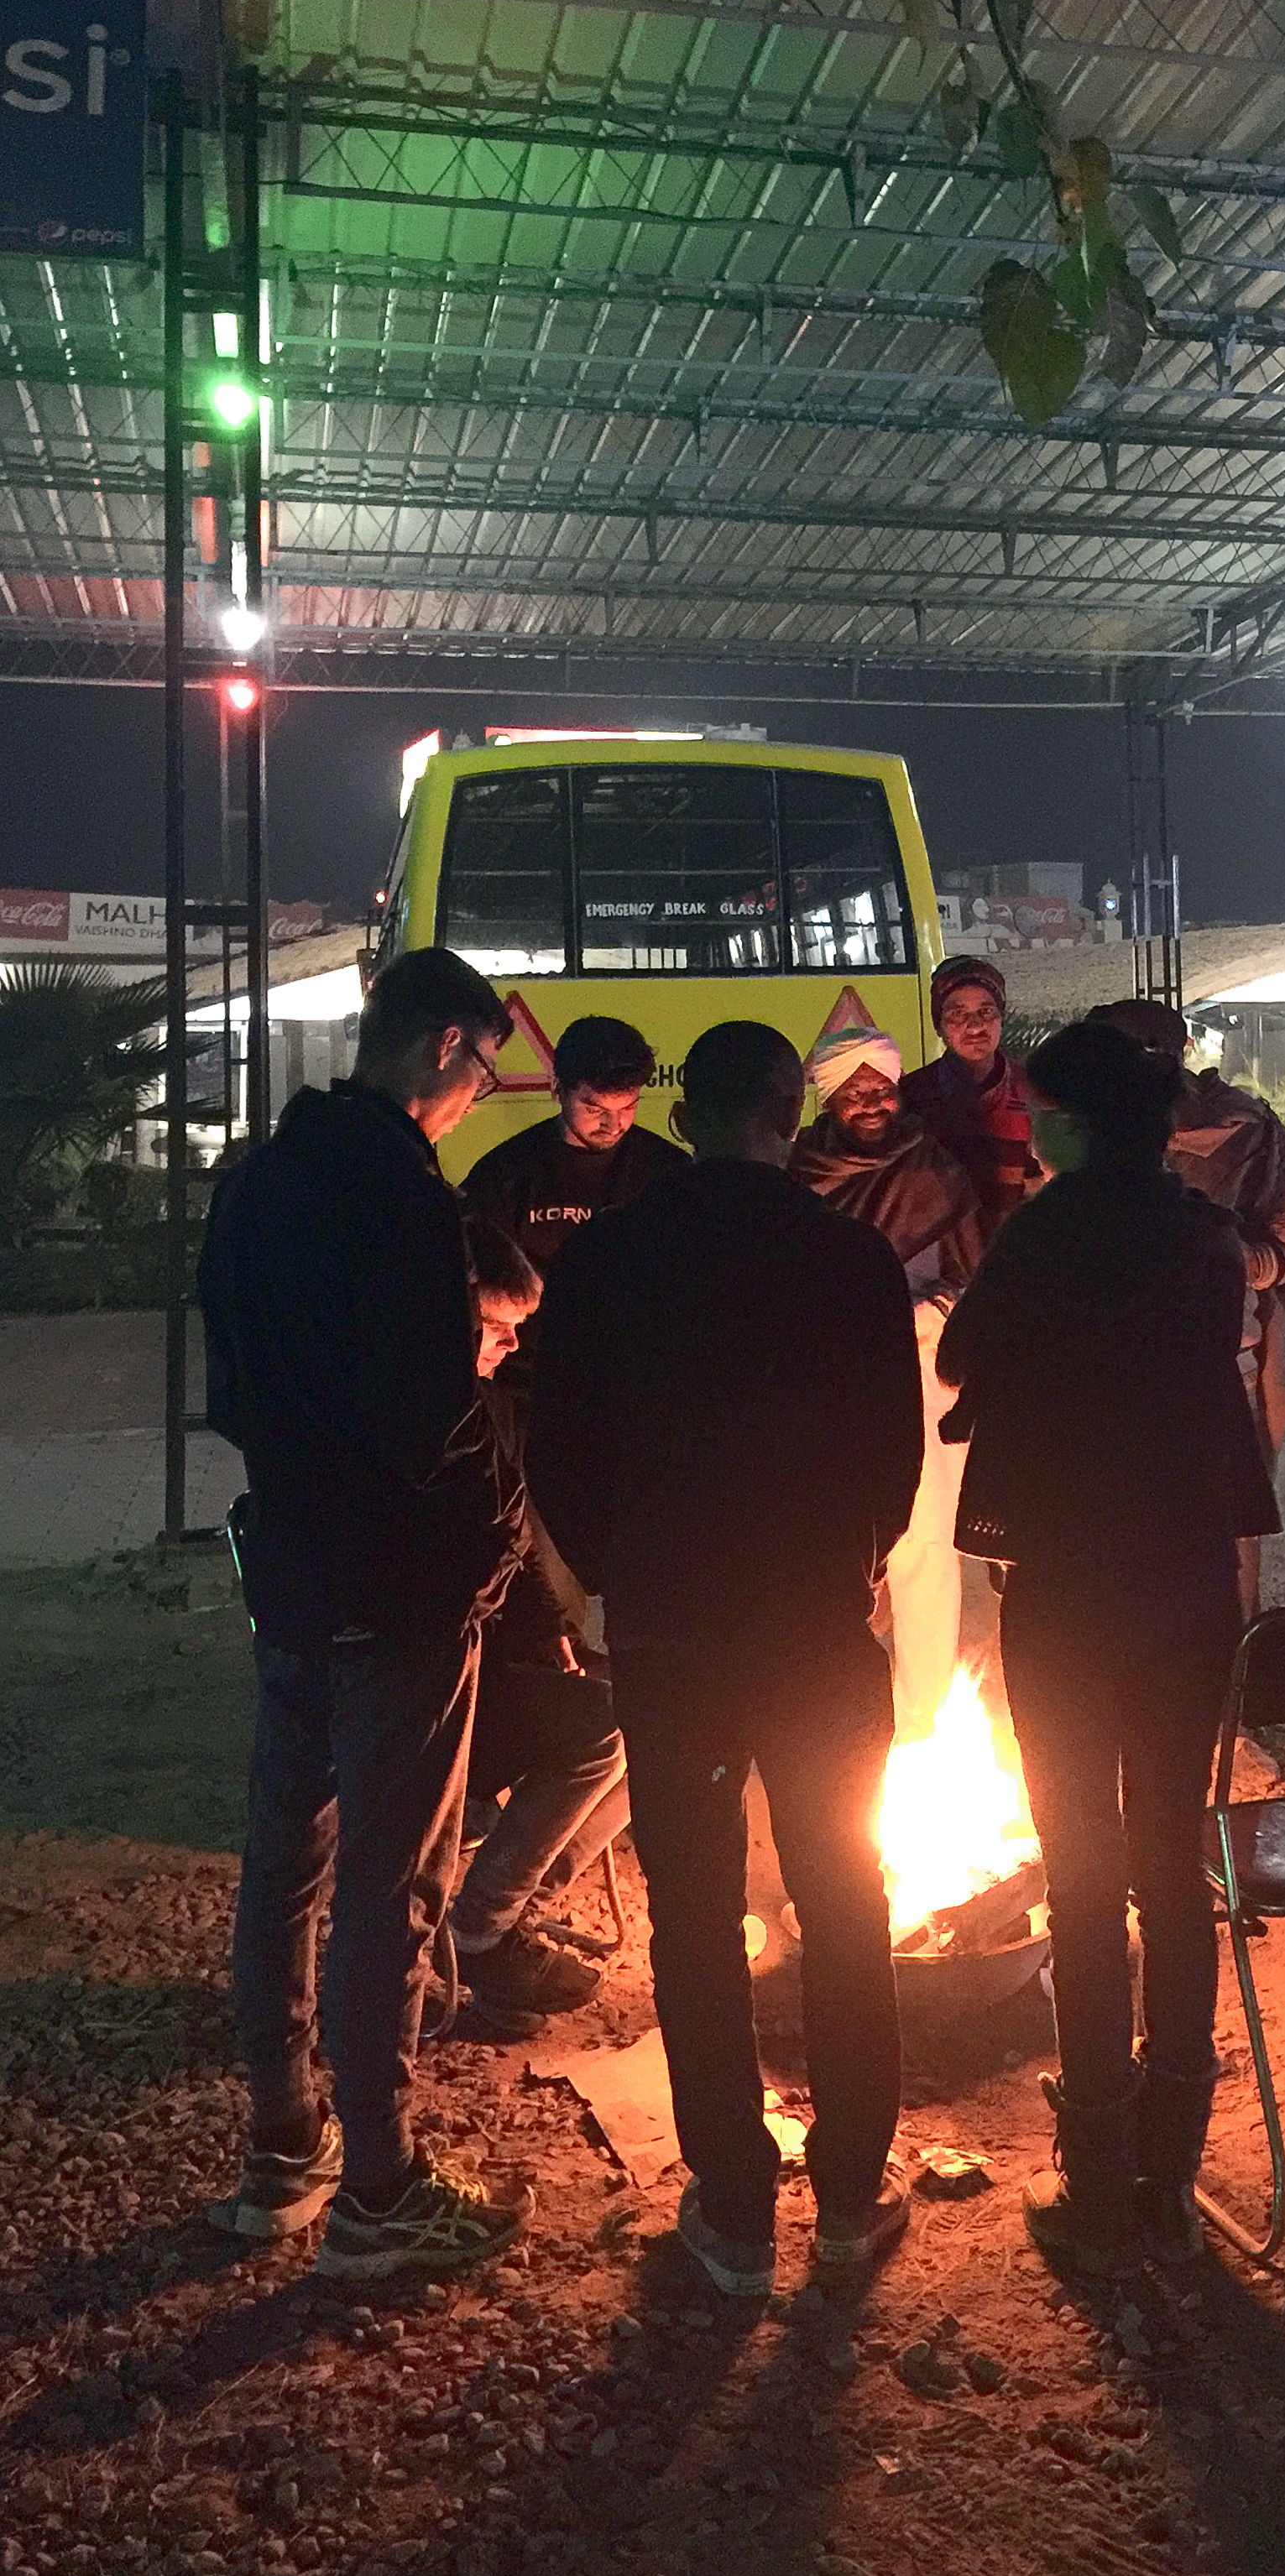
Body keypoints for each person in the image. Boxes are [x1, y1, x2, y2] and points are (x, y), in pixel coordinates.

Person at [528, 1021, 925, 2297]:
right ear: (780, 1111)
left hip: (675, 1635)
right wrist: (860, 1558)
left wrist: (610, 1573)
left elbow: (559, 1447)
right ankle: (855, 2200)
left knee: (694, 1917)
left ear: (686, 1115)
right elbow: (894, 1454)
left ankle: (736, 2210)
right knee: (846, 1899)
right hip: (813, 1628)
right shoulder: (849, 1256)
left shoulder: (608, 1261)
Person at [200, 946, 535, 2279]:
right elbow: (432, 1425)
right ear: (448, 1046)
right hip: (397, 1588)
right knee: (389, 1886)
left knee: (286, 1860)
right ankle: (381, 2189)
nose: (478, 1094)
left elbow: (226, 1386)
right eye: (484, 1065)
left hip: (288, 1570)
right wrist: (498, 1530)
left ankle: (283, 2144)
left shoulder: (258, 1182)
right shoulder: (403, 1197)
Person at [937, 1019, 1278, 2275]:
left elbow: (967, 1351)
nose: (1029, 1126)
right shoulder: (1205, 1236)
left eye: (1041, 1109)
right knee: (1169, 1866)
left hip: (1072, 1580)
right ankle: (1170, 2174)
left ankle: (1095, 2165)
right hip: (1188, 1576)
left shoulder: (1050, 1229)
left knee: (1082, 1871)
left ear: (1078, 1122)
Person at [1090, 999, 1285, 1615]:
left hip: (1225, 1364)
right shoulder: (1085, 1133)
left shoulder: (1244, 1131)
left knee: (1224, 1542)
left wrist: (1225, 1260)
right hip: (1113, 1372)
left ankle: (1227, 1701)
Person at [446, 1218, 624, 2036]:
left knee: (656, 1725)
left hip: (503, 1646)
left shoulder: (493, 1403)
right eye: (497, 1328)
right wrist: (531, 1629)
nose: (513, 1346)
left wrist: (549, 1621)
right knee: (601, 1736)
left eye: (521, 1329)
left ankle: (519, 1908)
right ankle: (479, 1928)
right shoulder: (437, 1420)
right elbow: (477, 1555)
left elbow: (516, 1536)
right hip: (447, 1671)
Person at [789, 1017, 985, 1725]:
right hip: (831, 1386)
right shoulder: (798, 1176)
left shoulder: (936, 1172)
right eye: (855, 1092)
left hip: (924, 1378)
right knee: (831, 1552)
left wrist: (924, 1312)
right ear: (827, 1098)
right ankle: (839, 1724)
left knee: (926, 1551)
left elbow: (973, 1281)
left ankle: (923, 1725)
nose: (872, 1102)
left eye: (882, 1089)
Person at [462, 1011, 684, 1282]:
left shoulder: (670, 1172)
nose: (613, 1124)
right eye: (594, 1108)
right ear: (557, 1089)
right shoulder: (504, 1175)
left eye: (628, 1107)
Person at [900, 954, 1038, 1229]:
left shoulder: (1036, 1092)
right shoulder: (910, 1096)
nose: (975, 1026)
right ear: (939, 1026)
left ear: (1001, 1018)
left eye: (986, 1011)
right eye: (958, 1014)